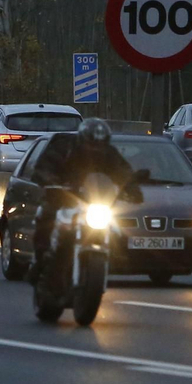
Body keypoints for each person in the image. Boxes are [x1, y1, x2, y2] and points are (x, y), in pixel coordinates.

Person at [25, 118, 142, 286]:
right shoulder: (64, 147)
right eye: (91, 144)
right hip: (62, 197)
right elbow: (45, 166)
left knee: (114, 226)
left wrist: (131, 188)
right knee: (47, 216)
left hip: (91, 201)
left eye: (100, 145)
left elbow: (122, 171)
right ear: (82, 139)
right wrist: (49, 179)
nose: (95, 149)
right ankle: (39, 260)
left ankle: (114, 261)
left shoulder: (109, 153)